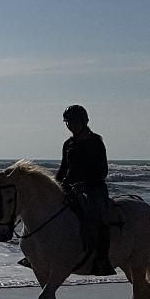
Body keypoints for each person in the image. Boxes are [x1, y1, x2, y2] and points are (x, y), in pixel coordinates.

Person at [57, 103, 114, 275]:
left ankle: (101, 260)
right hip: (70, 187)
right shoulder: (68, 144)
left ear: (84, 122)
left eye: (74, 122)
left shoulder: (95, 142)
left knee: (94, 217)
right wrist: (55, 185)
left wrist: (85, 184)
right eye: (69, 123)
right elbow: (63, 169)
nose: (71, 126)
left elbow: (102, 171)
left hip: (94, 188)